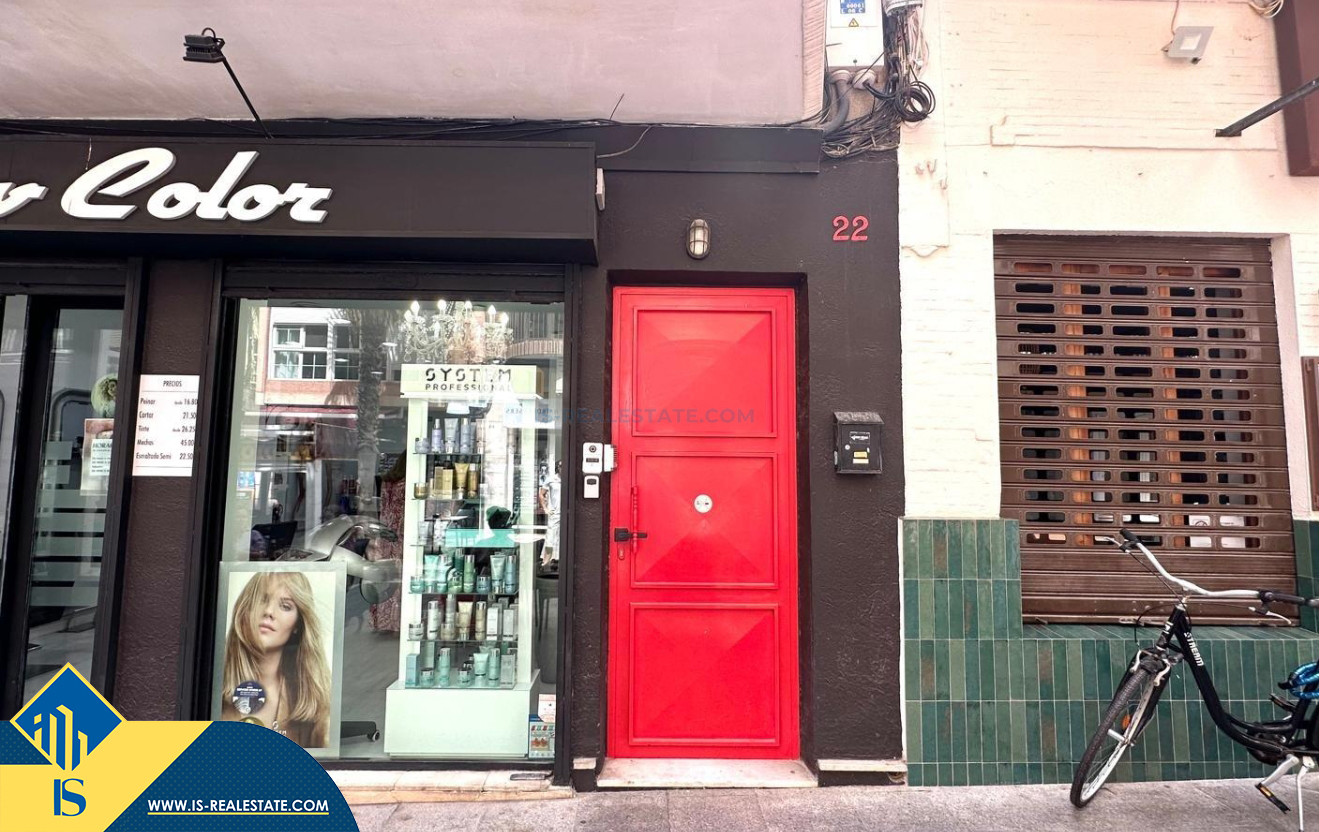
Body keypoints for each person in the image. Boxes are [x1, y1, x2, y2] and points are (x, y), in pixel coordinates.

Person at [220, 571, 331, 748]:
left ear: (297, 625)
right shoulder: (211, 685)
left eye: (285, 606)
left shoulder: (315, 702)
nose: (269, 612)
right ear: (244, 609)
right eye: (261, 600)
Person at [538, 459, 562, 568]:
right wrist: (545, 508)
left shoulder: (568, 479)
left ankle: (557, 559)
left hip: (566, 513)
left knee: (562, 537)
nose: (562, 469)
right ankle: (546, 561)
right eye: (560, 466)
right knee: (550, 538)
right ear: (557, 467)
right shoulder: (551, 479)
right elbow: (541, 494)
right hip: (555, 513)